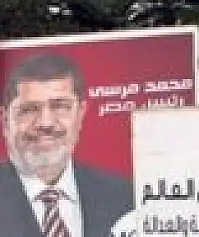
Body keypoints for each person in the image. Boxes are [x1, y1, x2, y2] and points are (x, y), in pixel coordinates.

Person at [0, 53, 133, 237]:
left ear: (80, 114)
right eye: (29, 109)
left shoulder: (125, 197)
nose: (46, 123)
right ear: (5, 120)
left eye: (60, 106)